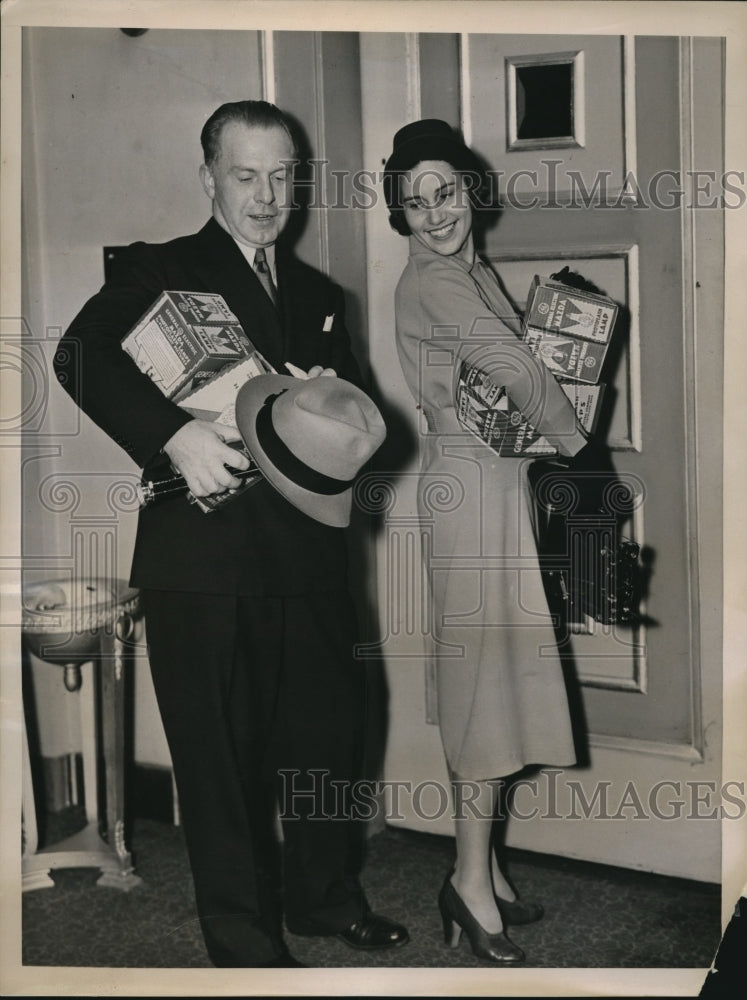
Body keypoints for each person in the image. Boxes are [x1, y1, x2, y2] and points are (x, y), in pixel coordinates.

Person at [55, 99, 408, 968]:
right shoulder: (157, 269)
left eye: (282, 176)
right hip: (202, 560)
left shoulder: (323, 296)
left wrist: (329, 397)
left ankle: (325, 899)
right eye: (245, 175)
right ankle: (245, 940)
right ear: (208, 175)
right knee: (221, 760)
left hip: (309, 559)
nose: (265, 195)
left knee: (332, 736)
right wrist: (169, 434)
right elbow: (77, 356)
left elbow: (363, 431)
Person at [383, 119, 592, 965]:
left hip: (490, 483)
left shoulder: (467, 269)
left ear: (470, 189)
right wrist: (579, 444)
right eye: (413, 199)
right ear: (398, 211)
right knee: (480, 687)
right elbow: (511, 366)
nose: (433, 212)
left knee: (497, 678)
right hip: (469, 492)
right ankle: (467, 883)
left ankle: (486, 867)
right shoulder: (433, 282)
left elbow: (514, 366)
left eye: (444, 190)